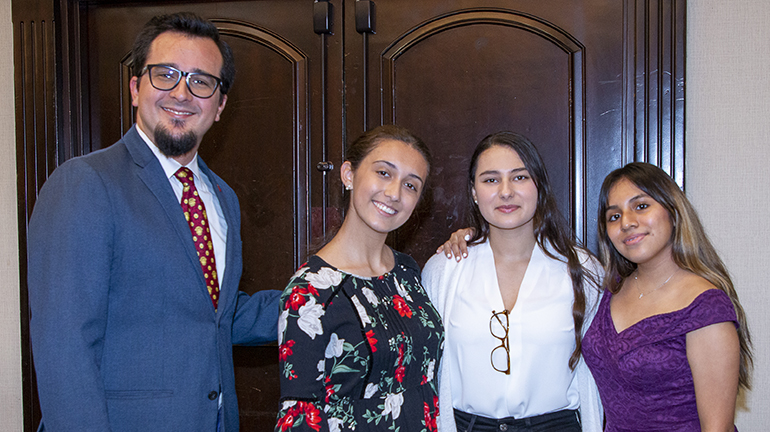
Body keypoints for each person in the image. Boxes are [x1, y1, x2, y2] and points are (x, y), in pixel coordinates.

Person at [27, 12, 280, 431]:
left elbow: (217, 315)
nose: (181, 92)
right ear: (135, 88)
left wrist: (339, 283)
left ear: (219, 106)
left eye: (201, 81)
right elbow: (64, 344)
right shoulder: (85, 182)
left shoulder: (223, 199)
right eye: (165, 74)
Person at [423, 132, 603, 432]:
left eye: (519, 178)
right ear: (474, 191)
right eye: (491, 180)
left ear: (539, 187)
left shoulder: (584, 271)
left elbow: (600, 371)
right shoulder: (445, 269)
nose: (506, 192)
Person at [274, 125, 443, 432]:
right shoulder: (310, 291)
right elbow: (299, 418)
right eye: (383, 173)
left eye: (410, 185)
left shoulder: (406, 272)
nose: (394, 193)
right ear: (348, 174)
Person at [582, 162, 753, 432]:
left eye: (641, 206)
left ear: (672, 212)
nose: (627, 222)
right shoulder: (609, 289)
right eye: (614, 216)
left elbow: (716, 428)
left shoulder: (705, 306)